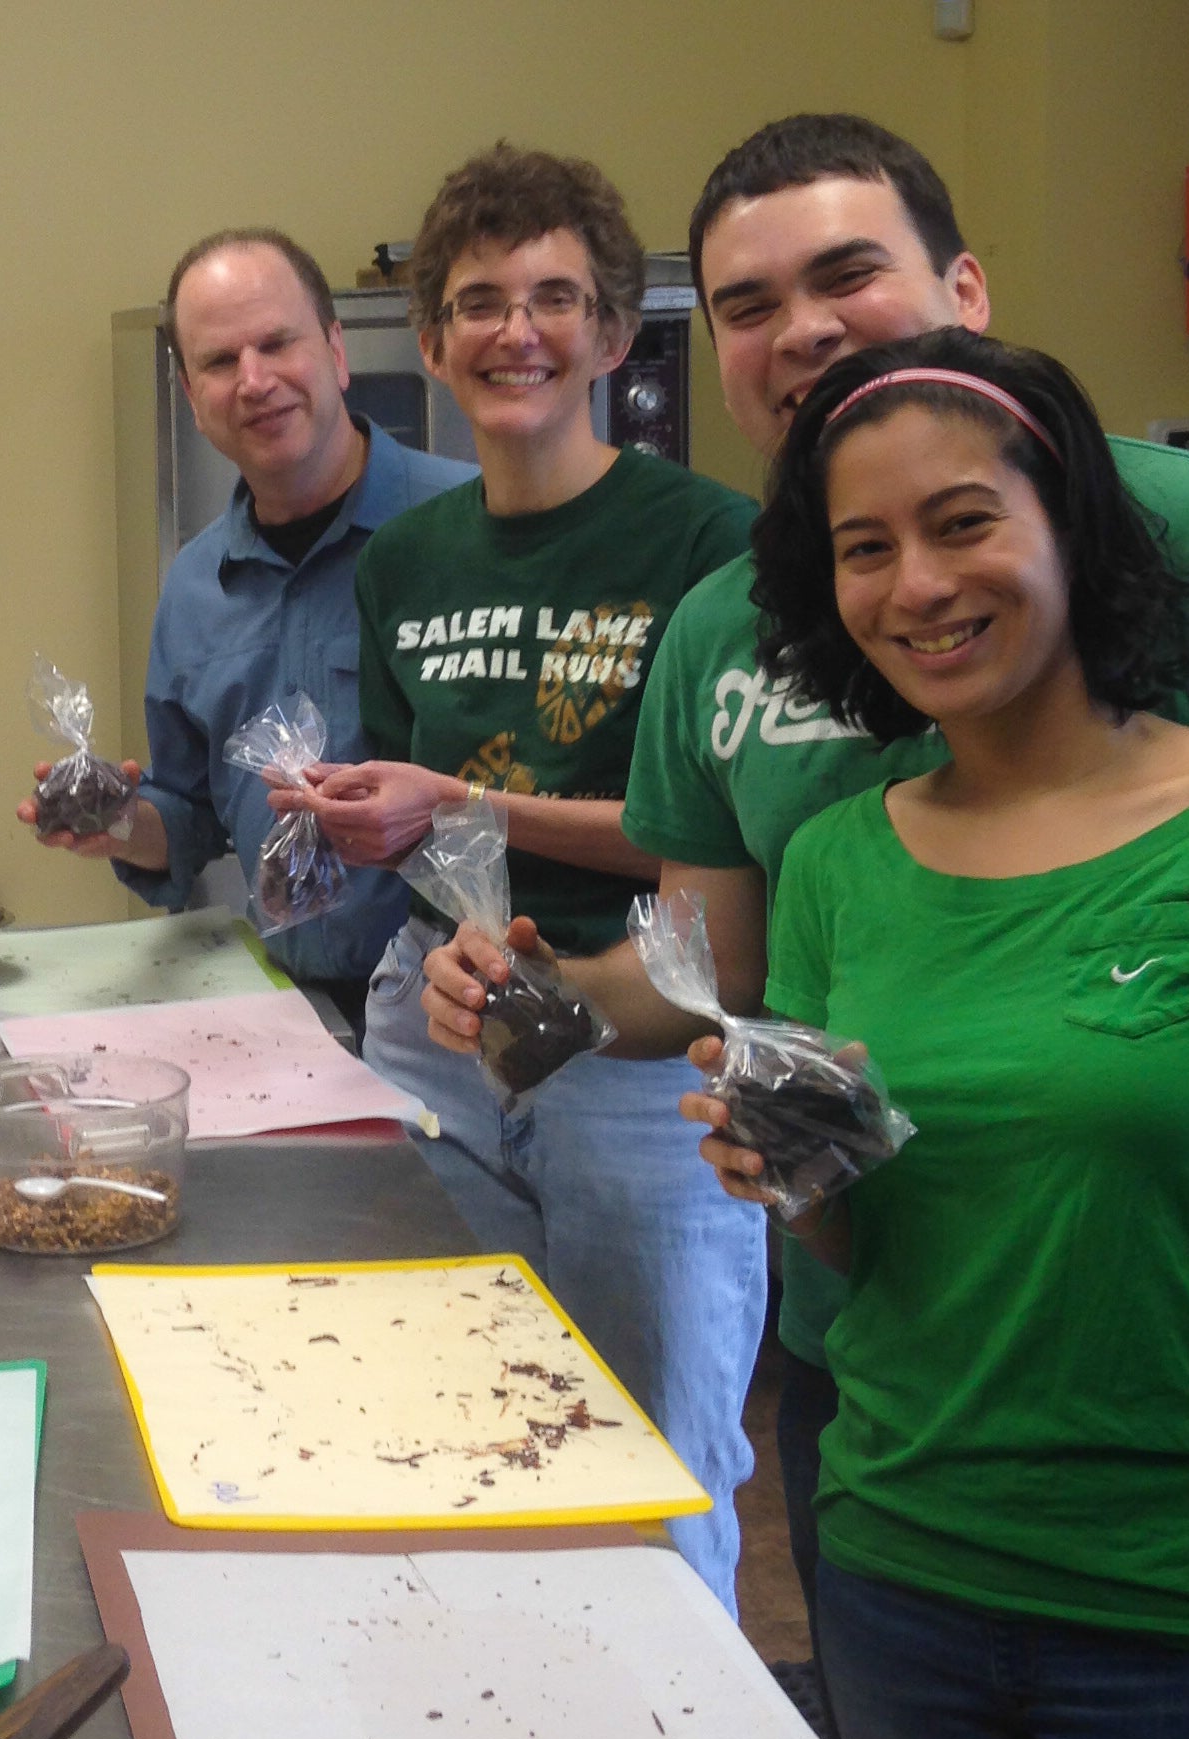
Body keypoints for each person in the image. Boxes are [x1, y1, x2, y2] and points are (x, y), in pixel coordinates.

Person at [414, 115, 1189, 1674]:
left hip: (1150, 1390)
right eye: (750, 305)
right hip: (880, 1363)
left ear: (968, 288)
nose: (807, 330)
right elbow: (712, 965)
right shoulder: (727, 628)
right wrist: (543, 1001)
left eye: (850, 274)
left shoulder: (1180, 537)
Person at [687, 328, 1189, 1739]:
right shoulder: (840, 857)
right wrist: (791, 1174)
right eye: (865, 546)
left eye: (964, 520)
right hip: (900, 1567)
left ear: (1068, 525)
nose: (917, 582)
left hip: (1171, 1604)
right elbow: (871, 1244)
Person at [272, 145, 766, 1614]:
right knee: (457, 1435)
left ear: (616, 334)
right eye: (479, 302)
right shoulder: (406, 560)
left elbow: (719, 835)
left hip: (641, 1053)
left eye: (556, 297)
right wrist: (354, 816)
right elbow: (426, 815)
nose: (515, 331)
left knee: (658, 1464)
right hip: (440, 1034)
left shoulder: (708, 545)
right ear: (430, 343)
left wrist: (470, 797)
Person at [18, 229, 471, 1030]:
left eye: (276, 343)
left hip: (456, 1012)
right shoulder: (195, 585)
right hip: (290, 1015)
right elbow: (187, 818)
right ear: (191, 397)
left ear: (335, 352)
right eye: (221, 362)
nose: (254, 381)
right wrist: (118, 823)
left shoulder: (468, 529)